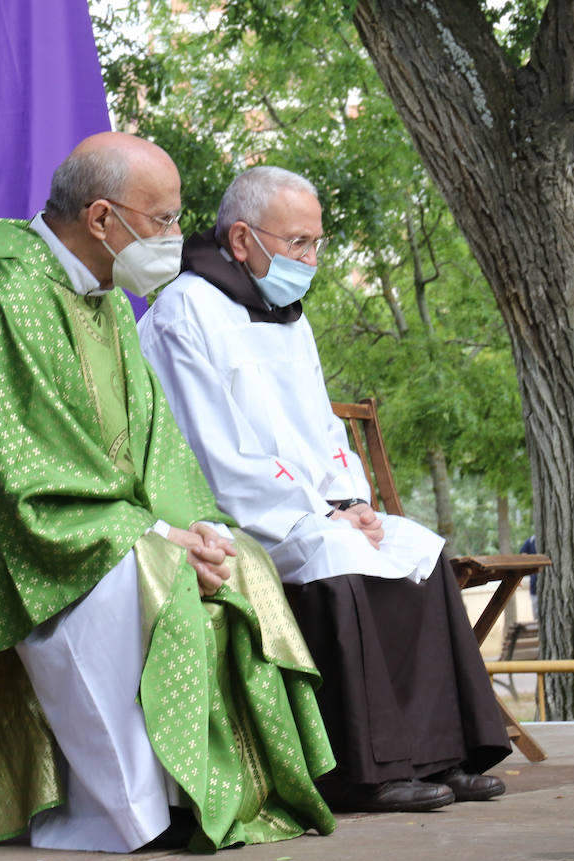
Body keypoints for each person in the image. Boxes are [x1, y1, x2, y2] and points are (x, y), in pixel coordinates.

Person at [0, 134, 337, 854]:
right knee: (145, 569)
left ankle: (206, 792)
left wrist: (195, 528)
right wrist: (156, 539)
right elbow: (19, 474)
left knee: (237, 555)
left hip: (81, 523)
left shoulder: (106, 302)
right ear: (101, 220)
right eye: (161, 221)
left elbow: (154, 448)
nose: (174, 239)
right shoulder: (2, 295)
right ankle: (122, 814)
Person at [137, 166, 509, 813]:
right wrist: (320, 514)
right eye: (298, 244)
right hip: (234, 513)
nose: (310, 259)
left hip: (312, 507)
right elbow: (214, 451)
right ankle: (364, 771)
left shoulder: (286, 315)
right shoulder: (183, 311)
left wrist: (352, 500)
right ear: (244, 238)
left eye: (317, 243)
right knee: (338, 556)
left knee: (416, 549)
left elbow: (324, 428)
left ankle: (444, 753)